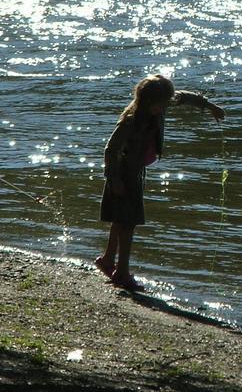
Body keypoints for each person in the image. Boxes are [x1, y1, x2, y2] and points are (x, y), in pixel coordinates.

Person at [95, 74, 225, 291]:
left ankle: (108, 259)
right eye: (161, 104)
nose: (165, 107)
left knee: (121, 218)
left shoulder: (161, 106)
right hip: (123, 174)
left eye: (166, 103)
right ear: (148, 103)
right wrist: (114, 178)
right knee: (129, 222)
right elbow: (110, 149)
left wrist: (209, 106)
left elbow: (184, 97)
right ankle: (122, 273)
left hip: (136, 172)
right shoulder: (131, 121)